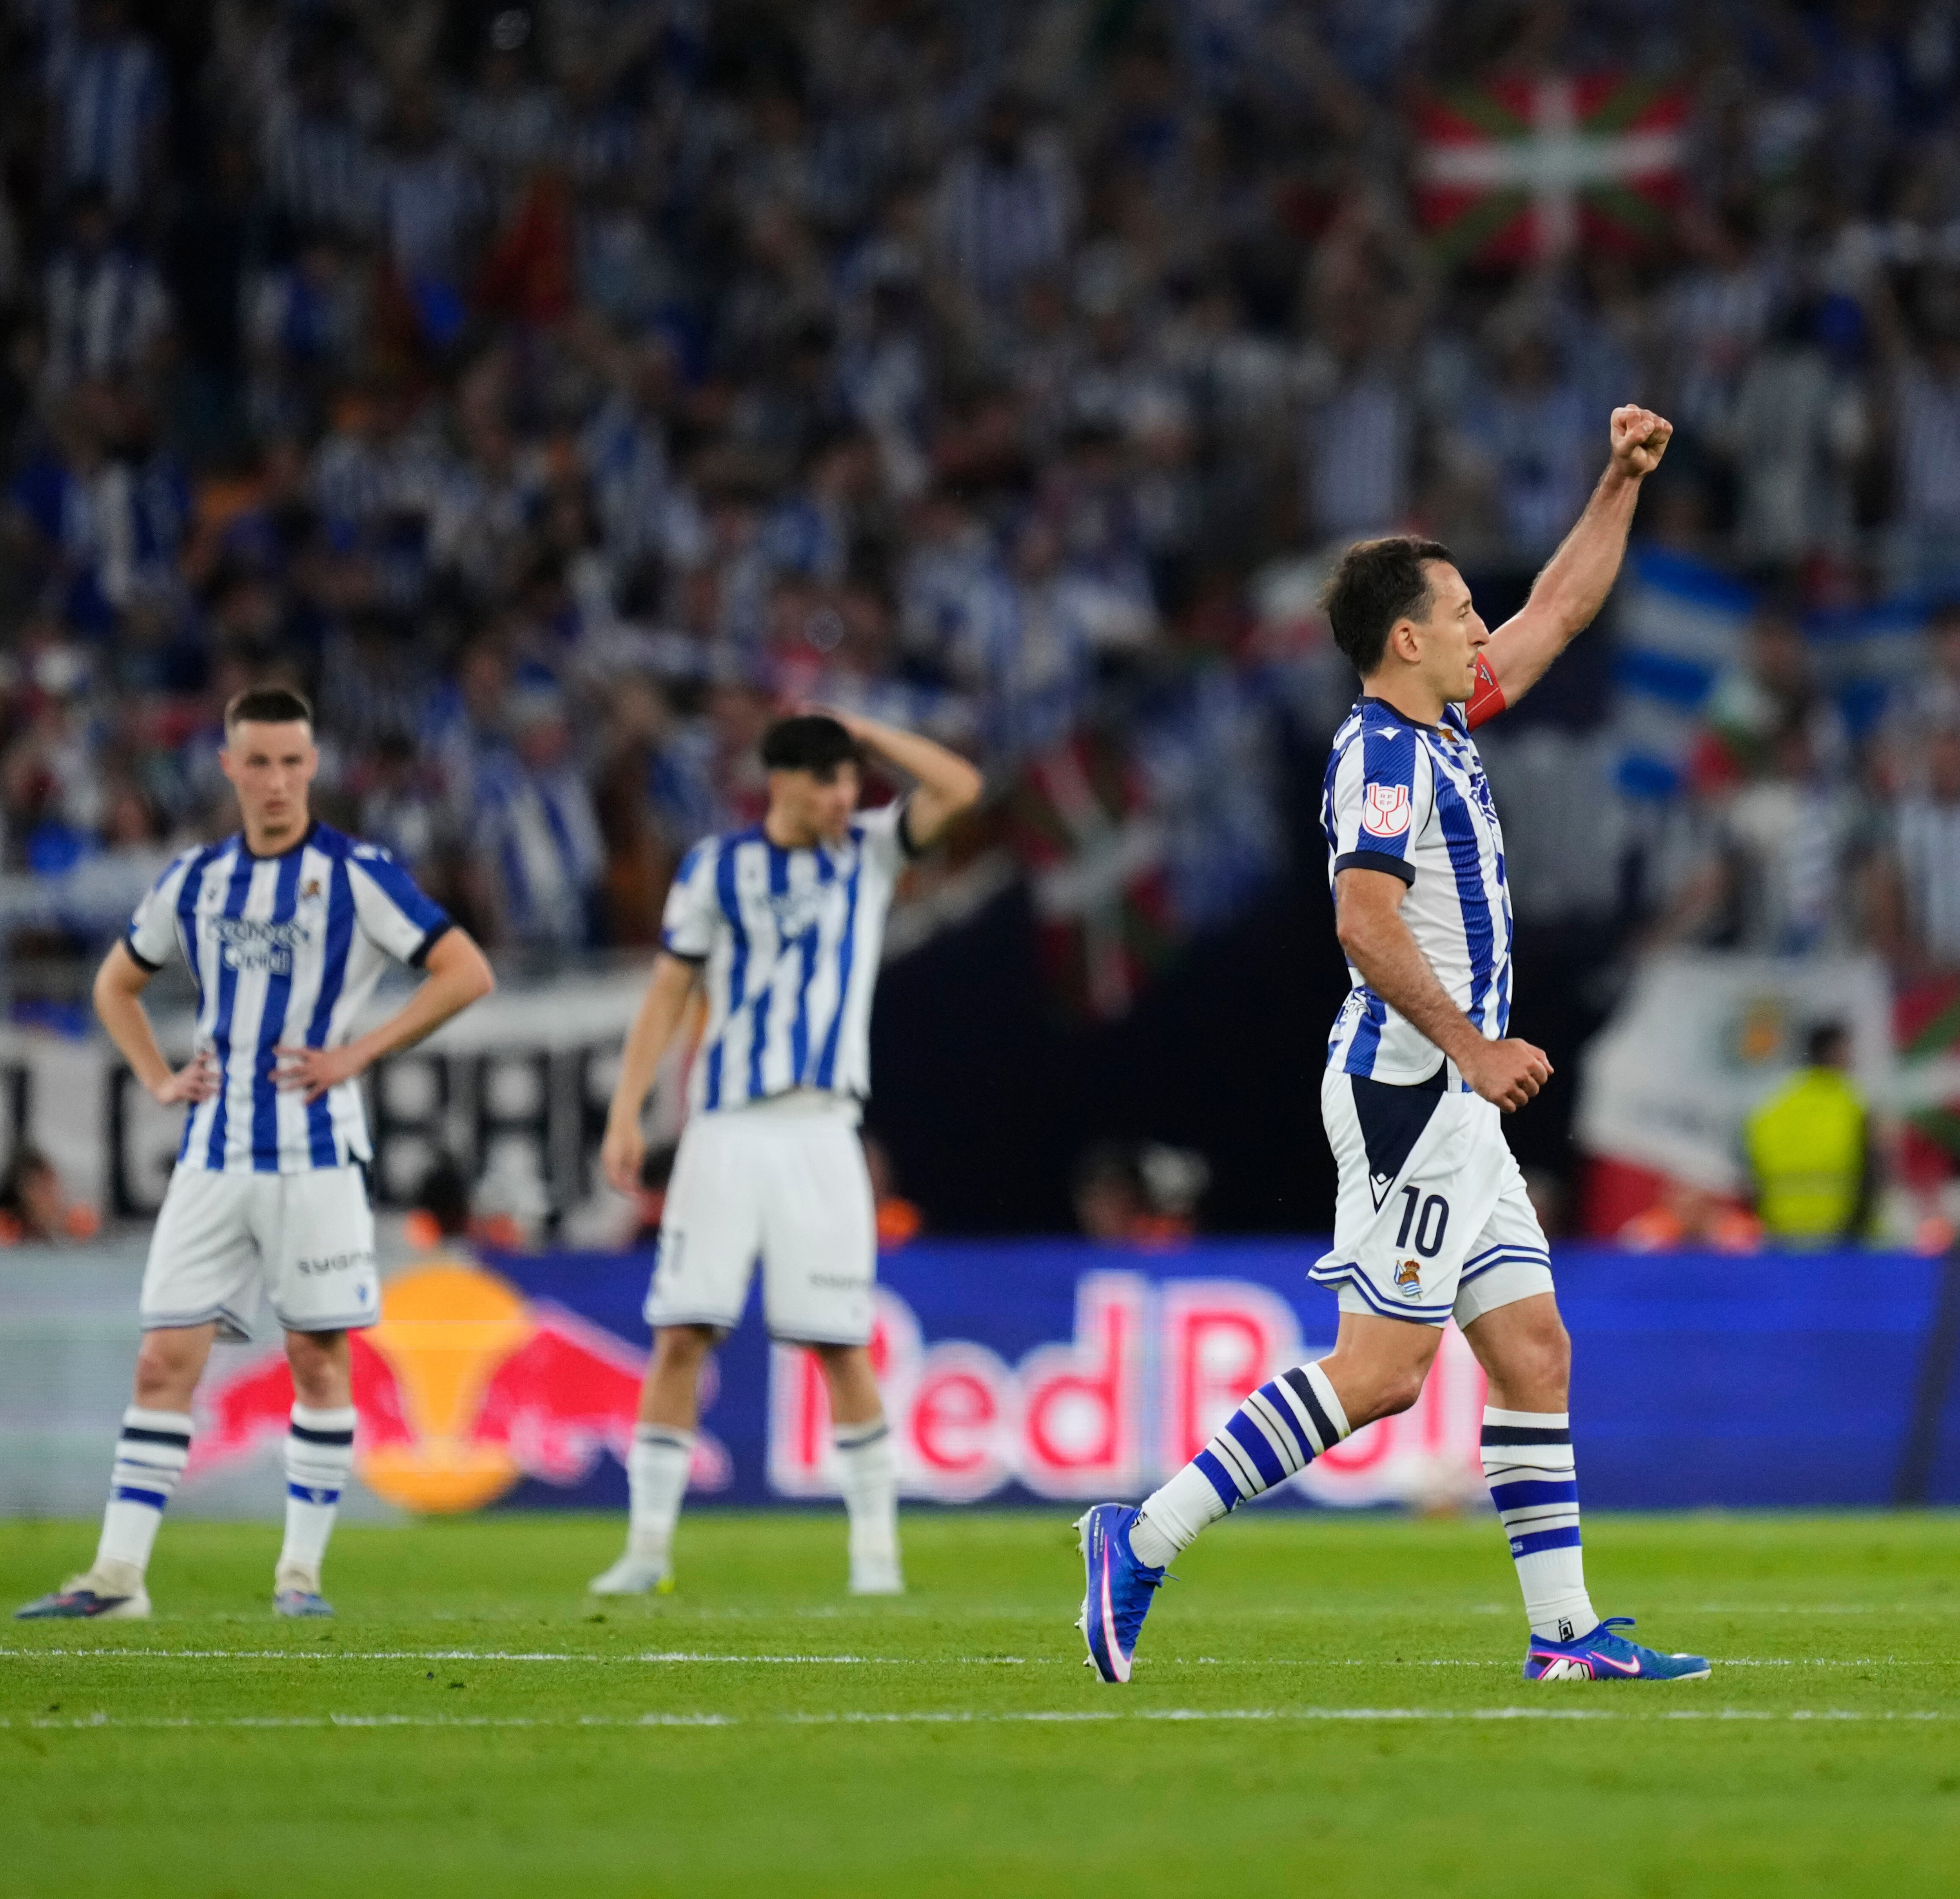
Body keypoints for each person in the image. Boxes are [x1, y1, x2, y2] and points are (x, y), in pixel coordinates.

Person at [1076, 406, 1712, 1685]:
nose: (1486, 624)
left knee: (1535, 1351)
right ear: (1405, 636)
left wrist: (1618, 482)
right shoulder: (1377, 752)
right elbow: (1363, 922)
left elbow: (1560, 614)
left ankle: (1567, 1636)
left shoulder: (1444, 722)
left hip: (1453, 1097)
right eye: (1464, 609)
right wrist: (1473, 1049)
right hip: (1411, 1086)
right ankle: (1140, 1534)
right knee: (1379, 1377)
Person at [14, 687, 495, 1623]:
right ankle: (116, 1579)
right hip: (213, 1155)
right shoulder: (194, 880)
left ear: (313, 767)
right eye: (258, 762)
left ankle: (300, 1578)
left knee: (317, 1360)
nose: (276, 780)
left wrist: (358, 1052)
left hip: (315, 1157)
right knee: (163, 1360)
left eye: (291, 762)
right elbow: (116, 984)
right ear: (229, 768)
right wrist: (157, 1077)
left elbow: (466, 969)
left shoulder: (356, 873)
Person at [590, 711, 981, 1598]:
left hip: (821, 1132)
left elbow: (960, 787)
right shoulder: (715, 867)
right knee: (682, 1332)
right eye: (831, 780)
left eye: (853, 780)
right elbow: (666, 993)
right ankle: (646, 1551)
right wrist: (626, 1111)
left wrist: (869, 733)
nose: (848, 796)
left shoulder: (869, 853)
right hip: (724, 1128)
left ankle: (876, 1559)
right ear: (784, 781)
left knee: (841, 1342)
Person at [1744, 1023, 1873, 1247]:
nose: (1852, 1060)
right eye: (1848, 1051)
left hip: (1779, 1229)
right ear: (1832, 1052)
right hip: (1839, 1230)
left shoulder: (1775, 1104)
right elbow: (1872, 1170)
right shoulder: (1851, 1103)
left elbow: (1751, 1170)